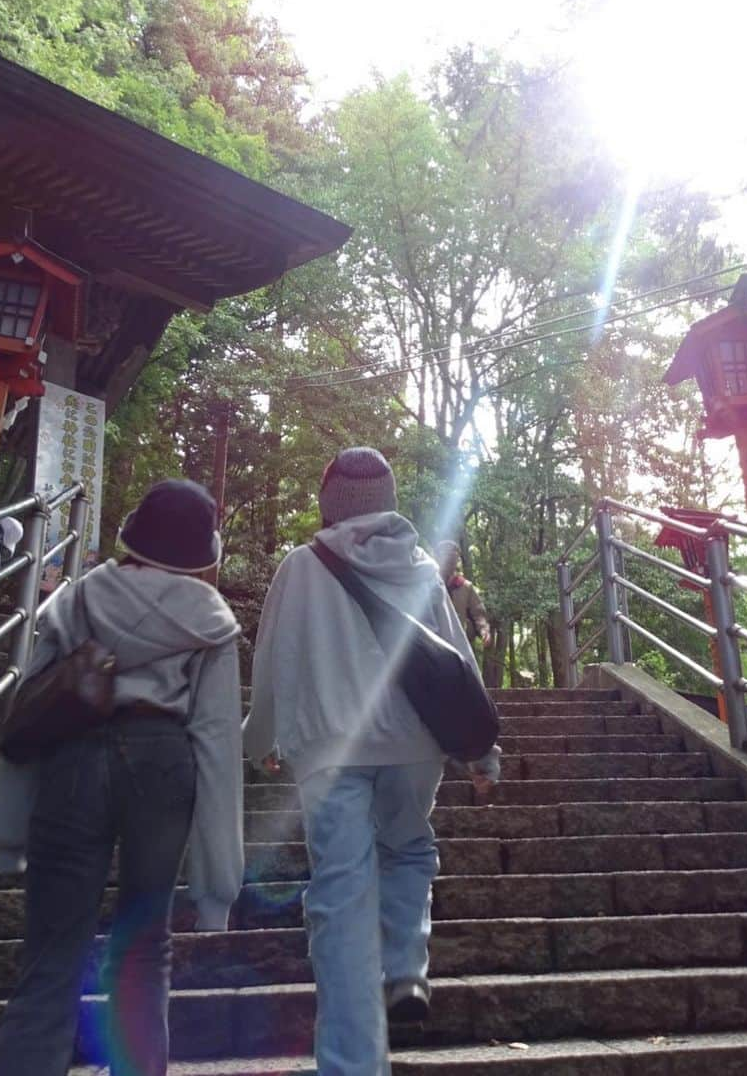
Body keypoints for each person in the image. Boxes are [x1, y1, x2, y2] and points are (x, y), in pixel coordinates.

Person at [244, 447, 500, 1076]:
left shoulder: (301, 567)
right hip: (415, 749)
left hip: (329, 752)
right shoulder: (419, 565)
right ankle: (407, 968)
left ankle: (352, 1064)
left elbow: (271, 661)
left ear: (329, 500)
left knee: (340, 895)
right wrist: (482, 751)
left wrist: (257, 746)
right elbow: (457, 664)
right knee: (410, 848)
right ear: (387, 500)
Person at [0, 479, 245, 1076]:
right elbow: (217, 743)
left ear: (134, 537)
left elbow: (33, 712)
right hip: (163, 760)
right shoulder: (212, 621)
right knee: (145, 950)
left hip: (73, 758)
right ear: (200, 553)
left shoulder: (76, 600)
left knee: (51, 952)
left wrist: (5, 835)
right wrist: (217, 886)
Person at [436, 540, 491, 647]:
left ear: (457, 560)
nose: (449, 562)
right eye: (446, 557)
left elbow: (478, 613)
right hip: (434, 640)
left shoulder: (465, 586)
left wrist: (484, 630)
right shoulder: (430, 583)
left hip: (458, 644)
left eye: (453, 558)